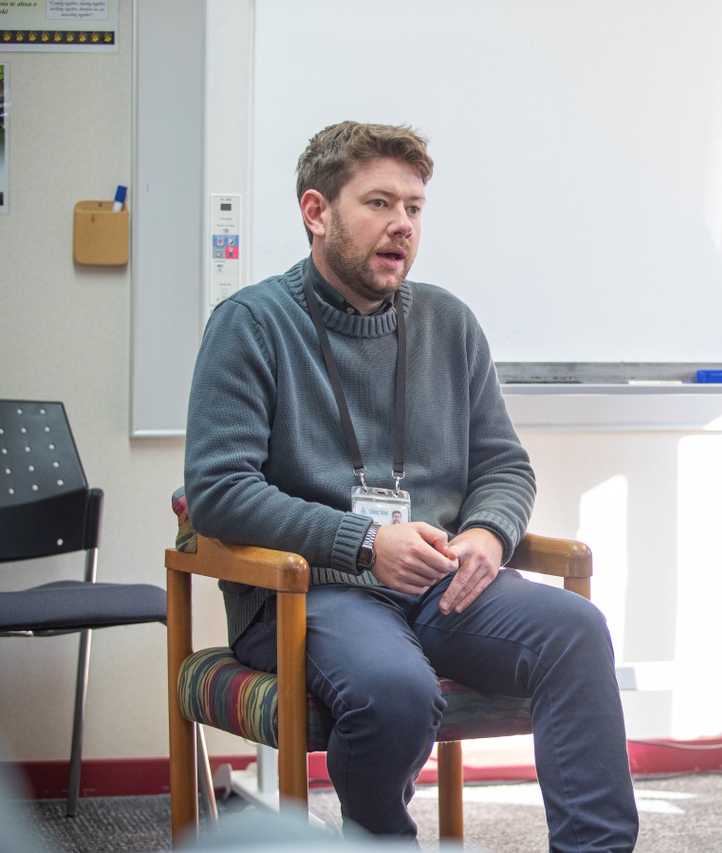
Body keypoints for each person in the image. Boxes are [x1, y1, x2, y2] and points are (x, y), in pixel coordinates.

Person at [184, 121, 639, 851]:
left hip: (437, 582)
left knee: (575, 630)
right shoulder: (250, 326)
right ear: (316, 211)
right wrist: (365, 543)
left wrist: (489, 532)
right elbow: (219, 491)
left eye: (415, 208)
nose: (402, 225)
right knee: (395, 689)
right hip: (306, 592)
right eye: (379, 203)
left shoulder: (448, 322)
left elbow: (504, 464)